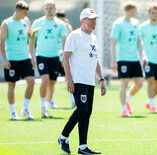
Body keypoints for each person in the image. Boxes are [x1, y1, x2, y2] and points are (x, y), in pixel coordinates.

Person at [57, 8, 106, 154]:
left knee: (87, 112)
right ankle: (63, 137)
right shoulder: (75, 35)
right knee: (82, 109)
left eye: (94, 19)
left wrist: (101, 79)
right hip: (78, 80)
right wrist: (69, 79)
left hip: (90, 81)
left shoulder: (94, 38)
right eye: (90, 19)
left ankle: (83, 146)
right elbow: (65, 58)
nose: (93, 22)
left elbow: (95, 60)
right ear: (82, 21)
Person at [29, 0, 67, 118]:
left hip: (55, 57)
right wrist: (31, 56)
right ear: (44, 9)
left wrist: (65, 58)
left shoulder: (60, 24)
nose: (49, 9)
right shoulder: (37, 23)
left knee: (51, 84)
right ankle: (41, 107)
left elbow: (64, 42)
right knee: (44, 79)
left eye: (51, 7)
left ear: (55, 9)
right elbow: (31, 40)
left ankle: (46, 108)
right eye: (47, 7)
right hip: (41, 55)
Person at [0, 1, 35, 120]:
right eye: (24, 13)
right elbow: (1, 42)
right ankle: (13, 112)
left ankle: (25, 109)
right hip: (12, 59)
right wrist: (4, 60)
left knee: (31, 81)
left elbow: (30, 37)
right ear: (17, 11)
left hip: (25, 58)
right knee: (12, 85)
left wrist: (33, 35)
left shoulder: (26, 21)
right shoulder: (6, 23)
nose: (25, 15)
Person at [110, 1, 147, 117]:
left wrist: (143, 55)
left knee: (140, 83)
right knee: (124, 83)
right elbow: (113, 43)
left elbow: (139, 40)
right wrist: (113, 60)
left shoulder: (136, 23)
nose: (136, 12)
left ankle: (126, 100)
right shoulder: (118, 24)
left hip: (134, 58)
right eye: (135, 10)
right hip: (123, 58)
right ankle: (123, 109)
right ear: (131, 10)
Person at [54, 9, 76, 108]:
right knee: (51, 81)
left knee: (68, 79)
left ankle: (73, 101)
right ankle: (50, 101)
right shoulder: (54, 25)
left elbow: (72, 38)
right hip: (55, 56)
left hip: (65, 57)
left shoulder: (67, 26)